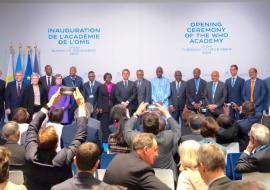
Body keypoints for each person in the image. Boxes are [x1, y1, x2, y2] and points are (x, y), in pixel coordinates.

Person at [24, 88, 87, 190]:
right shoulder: (63, 158)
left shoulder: (30, 154)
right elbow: (81, 135)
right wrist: (81, 104)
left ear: (38, 141)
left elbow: (32, 127)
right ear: (57, 144)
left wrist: (50, 103)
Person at [124, 102, 181, 181]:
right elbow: (177, 129)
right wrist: (166, 113)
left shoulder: (136, 138)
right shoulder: (168, 136)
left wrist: (136, 114)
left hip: (143, 180)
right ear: (159, 126)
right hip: (167, 179)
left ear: (143, 127)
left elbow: (126, 129)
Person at [103, 133, 171, 190]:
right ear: (146, 150)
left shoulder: (118, 157)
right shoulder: (140, 169)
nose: (157, 154)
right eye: (155, 150)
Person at [97, 73, 117, 143]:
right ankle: (105, 142)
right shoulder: (101, 86)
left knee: (113, 125)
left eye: (109, 77)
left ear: (111, 78)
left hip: (113, 109)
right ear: (104, 79)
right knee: (104, 126)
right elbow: (99, 98)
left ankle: (113, 141)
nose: (108, 79)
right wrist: (99, 107)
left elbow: (116, 97)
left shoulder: (115, 86)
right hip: (104, 109)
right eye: (106, 77)